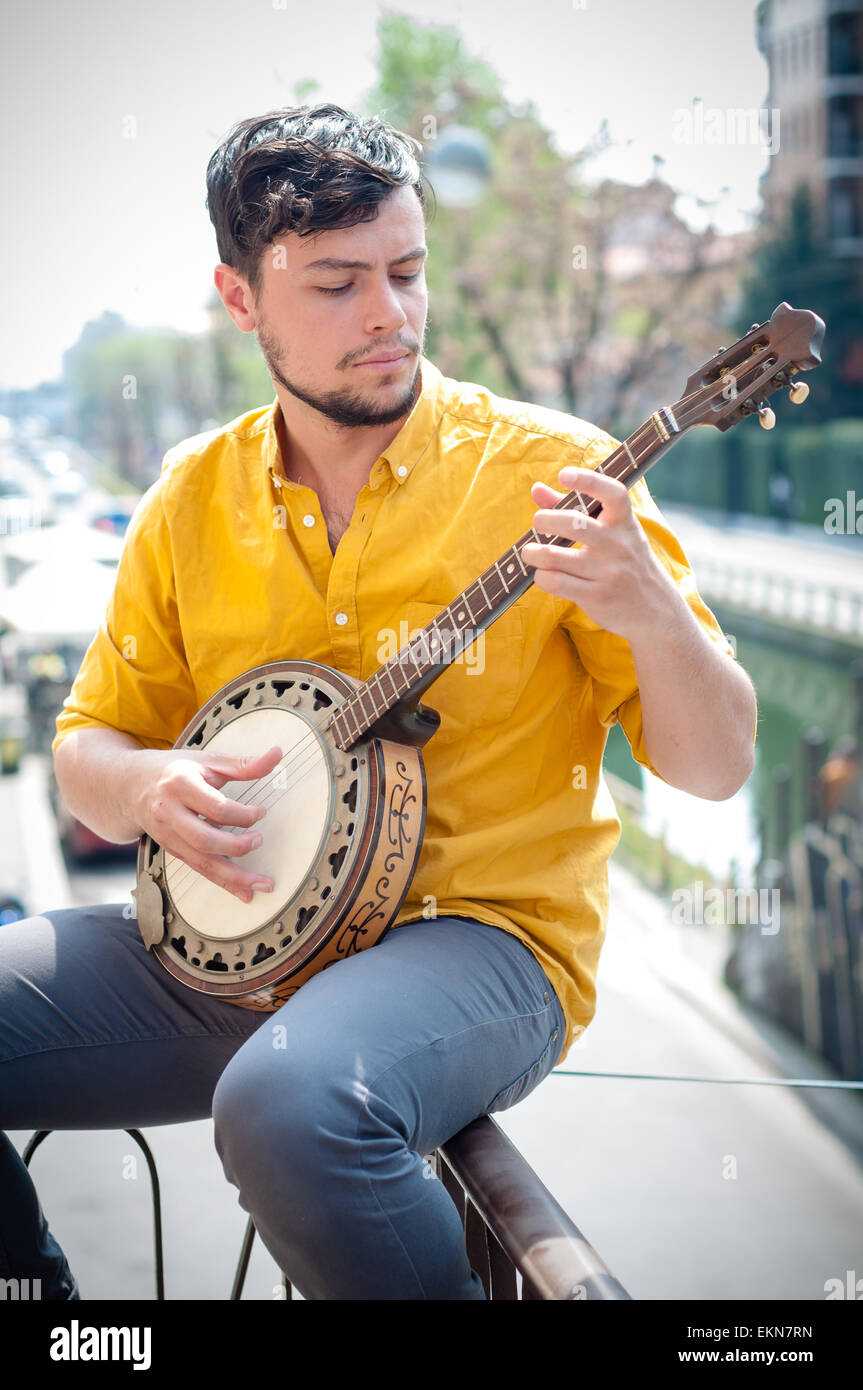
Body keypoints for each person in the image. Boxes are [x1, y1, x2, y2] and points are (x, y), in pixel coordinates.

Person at [0, 104, 757, 1302]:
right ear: (240, 298)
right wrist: (149, 786)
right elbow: (86, 744)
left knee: (291, 1104)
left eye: (405, 273)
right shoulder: (188, 498)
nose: (387, 315)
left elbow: (716, 768)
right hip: (232, 944)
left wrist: (650, 607)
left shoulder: (553, 475)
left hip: (480, 944)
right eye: (337, 283)